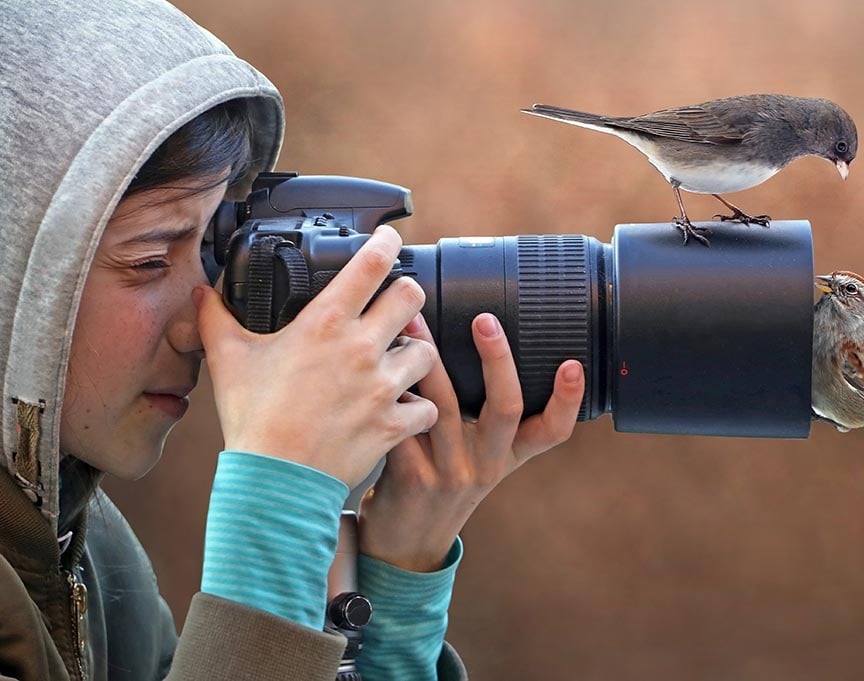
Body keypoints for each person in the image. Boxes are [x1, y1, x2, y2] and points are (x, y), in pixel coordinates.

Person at [0, 1, 585, 679]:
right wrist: (274, 508)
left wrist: (398, 577)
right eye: (150, 261)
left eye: (212, 252)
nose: (200, 327)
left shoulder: (86, 550)